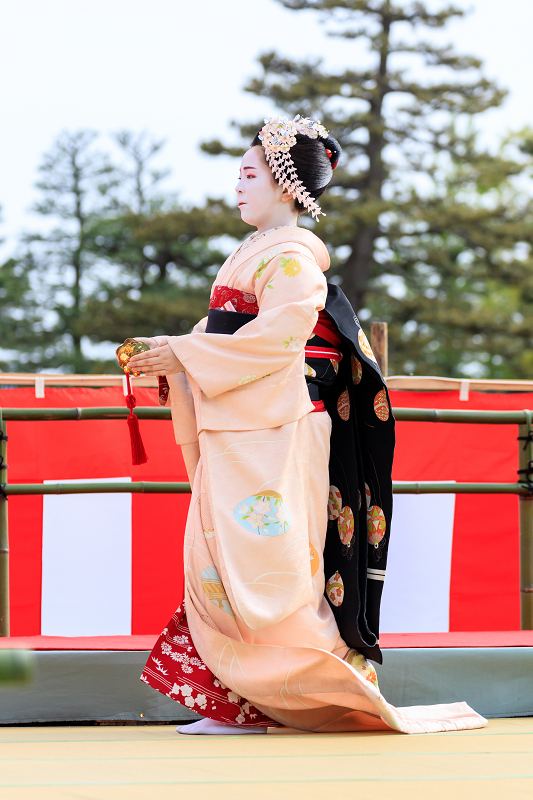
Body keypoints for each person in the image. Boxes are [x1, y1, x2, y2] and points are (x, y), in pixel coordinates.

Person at [128, 115, 486, 735]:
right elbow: (228, 335)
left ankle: (314, 692)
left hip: (279, 424)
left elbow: (277, 341)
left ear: (286, 185)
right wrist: (176, 352)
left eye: (249, 174)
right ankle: (245, 703)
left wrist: (184, 354)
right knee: (222, 557)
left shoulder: (293, 257)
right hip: (247, 421)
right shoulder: (252, 253)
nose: (237, 186)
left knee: (276, 563)